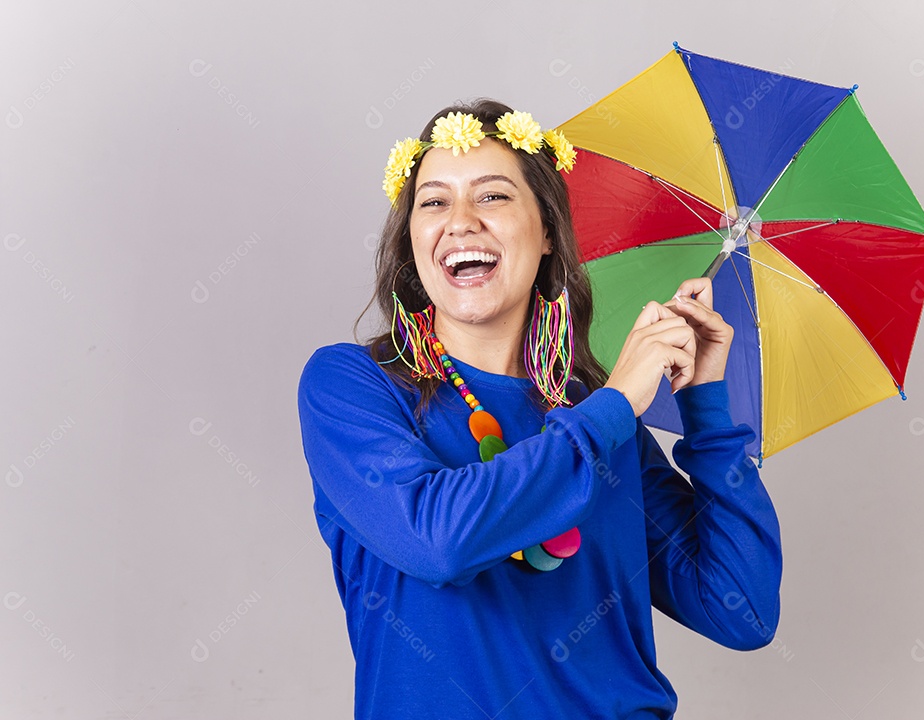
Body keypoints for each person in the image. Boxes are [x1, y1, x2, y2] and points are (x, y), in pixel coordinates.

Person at [297, 98, 782, 719]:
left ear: (548, 231)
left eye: (493, 197)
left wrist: (706, 403)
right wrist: (614, 404)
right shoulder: (351, 385)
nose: (462, 222)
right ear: (411, 235)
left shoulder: (600, 420)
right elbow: (436, 542)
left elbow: (737, 604)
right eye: (435, 201)